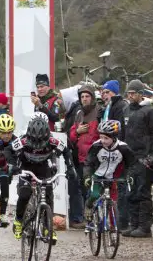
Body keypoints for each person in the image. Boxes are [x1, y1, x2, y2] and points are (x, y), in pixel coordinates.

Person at [6, 112, 77, 242]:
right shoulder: (23, 140)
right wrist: (11, 165)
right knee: (24, 195)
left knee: (48, 195)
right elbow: (8, 150)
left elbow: (66, 151)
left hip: (43, 168)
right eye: (34, 141)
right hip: (26, 167)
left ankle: (47, 227)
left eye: (41, 141)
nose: (38, 144)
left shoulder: (53, 141)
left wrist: (71, 168)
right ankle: (19, 220)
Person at [120, 79, 153, 237]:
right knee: (130, 191)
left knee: (142, 192)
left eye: (133, 93)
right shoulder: (126, 110)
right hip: (129, 157)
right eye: (129, 93)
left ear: (140, 94)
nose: (130, 96)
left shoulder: (149, 111)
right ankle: (134, 223)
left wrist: (152, 155)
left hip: (144, 157)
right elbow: (123, 134)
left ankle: (145, 227)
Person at [83, 120, 137, 232]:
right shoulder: (96, 146)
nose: (103, 140)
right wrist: (87, 176)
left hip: (114, 177)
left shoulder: (123, 148)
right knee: (95, 194)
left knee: (113, 201)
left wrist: (130, 176)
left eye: (106, 138)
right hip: (98, 175)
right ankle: (89, 208)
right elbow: (88, 163)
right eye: (101, 137)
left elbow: (132, 164)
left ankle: (113, 226)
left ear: (114, 137)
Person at [67, 85, 100, 229]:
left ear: (92, 97)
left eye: (87, 96)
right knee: (83, 188)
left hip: (96, 158)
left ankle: (96, 217)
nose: (84, 99)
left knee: (94, 190)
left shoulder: (99, 112)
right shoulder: (79, 113)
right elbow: (71, 136)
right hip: (81, 158)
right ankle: (86, 218)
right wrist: (78, 131)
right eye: (82, 97)